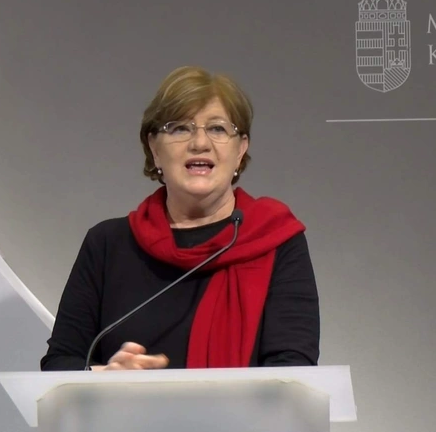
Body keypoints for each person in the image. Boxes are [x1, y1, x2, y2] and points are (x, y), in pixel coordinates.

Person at [40, 66, 319, 371]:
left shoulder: (275, 240)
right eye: (179, 128)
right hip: (124, 406)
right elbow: (60, 362)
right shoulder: (107, 244)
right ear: (154, 149)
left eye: (217, 129)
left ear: (241, 149)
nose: (199, 143)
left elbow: (294, 371)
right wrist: (106, 377)